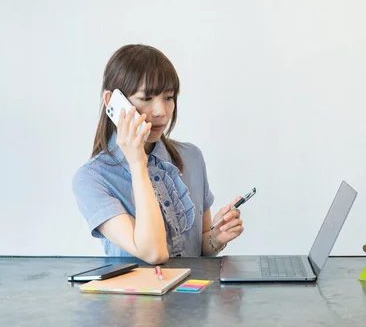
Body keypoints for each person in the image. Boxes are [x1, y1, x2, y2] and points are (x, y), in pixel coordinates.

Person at [72, 44, 244, 264]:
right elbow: (154, 252)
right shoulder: (91, 179)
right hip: (133, 299)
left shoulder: (191, 157)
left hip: (194, 297)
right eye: (146, 99)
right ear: (112, 102)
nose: (161, 112)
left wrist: (215, 238)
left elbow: (198, 249)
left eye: (168, 97)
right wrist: (137, 164)